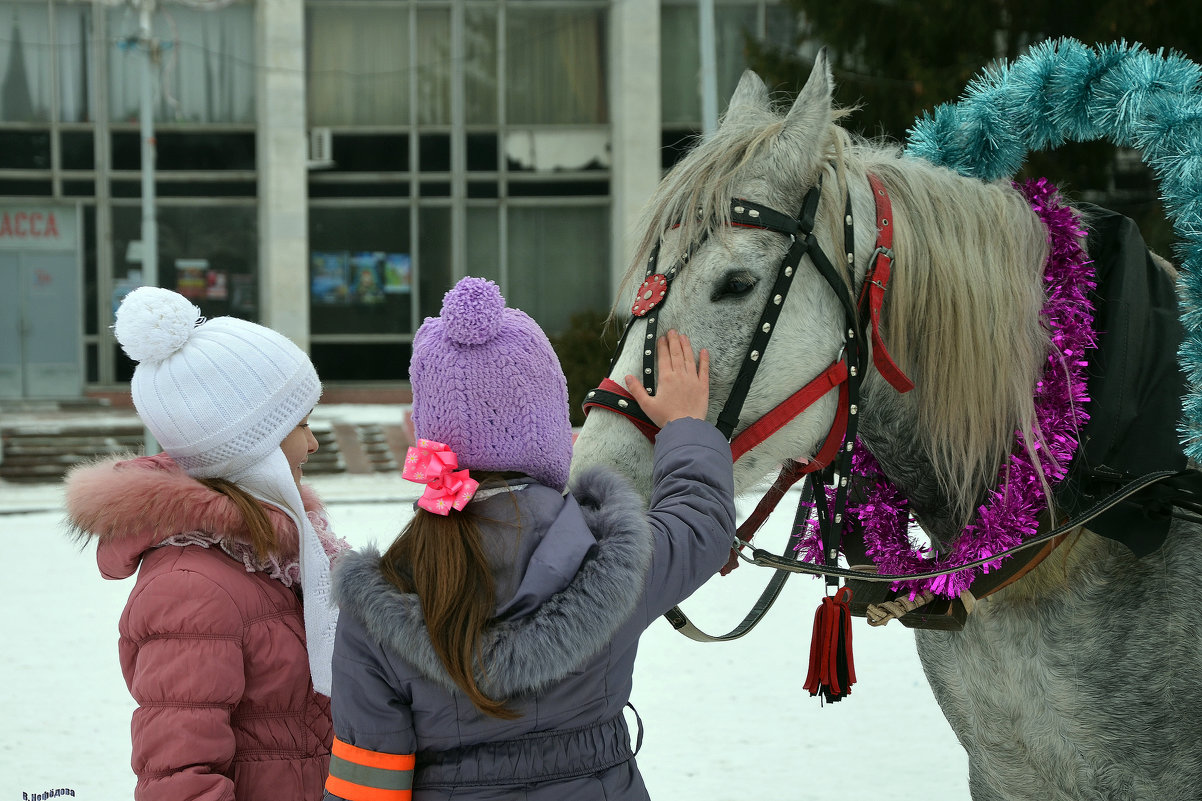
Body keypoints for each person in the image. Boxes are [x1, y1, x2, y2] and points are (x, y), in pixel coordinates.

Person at [324, 277, 736, 801]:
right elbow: (701, 521)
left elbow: (366, 788)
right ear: (548, 425)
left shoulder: (379, 601)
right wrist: (684, 426)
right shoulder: (615, 558)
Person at [65, 286, 350, 801]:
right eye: (301, 425)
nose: (312, 444)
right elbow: (180, 778)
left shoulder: (282, 559)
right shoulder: (192, 587)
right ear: (248, 445)